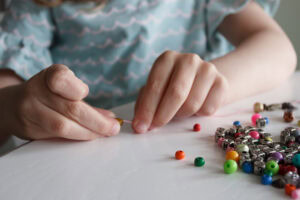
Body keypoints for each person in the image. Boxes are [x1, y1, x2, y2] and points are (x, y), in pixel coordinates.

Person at [0, 0, 296, 142]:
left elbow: (277, 49)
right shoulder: (35, 8)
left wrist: (212, 81)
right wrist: (14, 107)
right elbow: (5, 95)